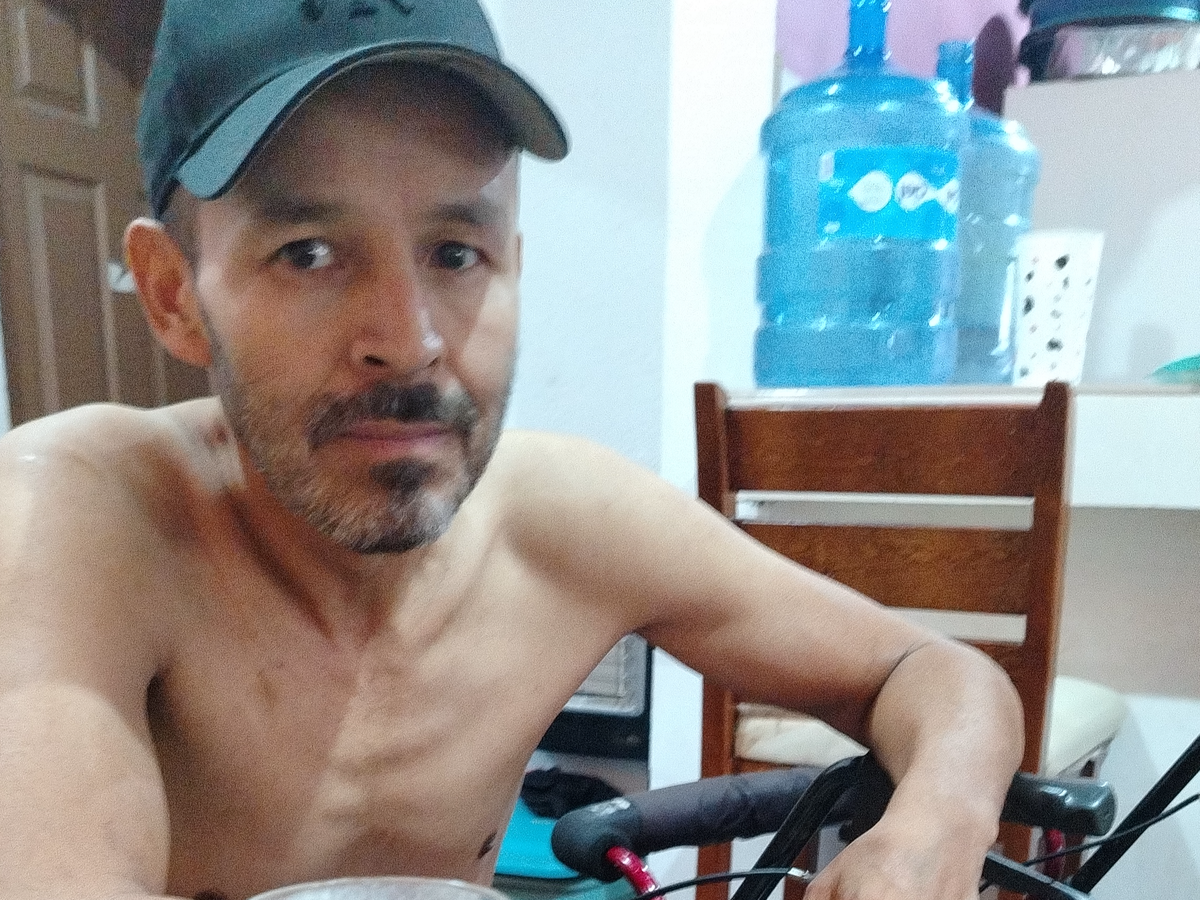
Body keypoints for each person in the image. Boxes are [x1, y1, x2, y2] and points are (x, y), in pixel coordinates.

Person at [0, 2, 1023, 899]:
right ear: (174, 293)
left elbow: (931, 671)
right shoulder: (74, 516)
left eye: (456, 254)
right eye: (307, 254)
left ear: (513, 266)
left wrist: (933, 826)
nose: (408, 338)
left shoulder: (565, 520)